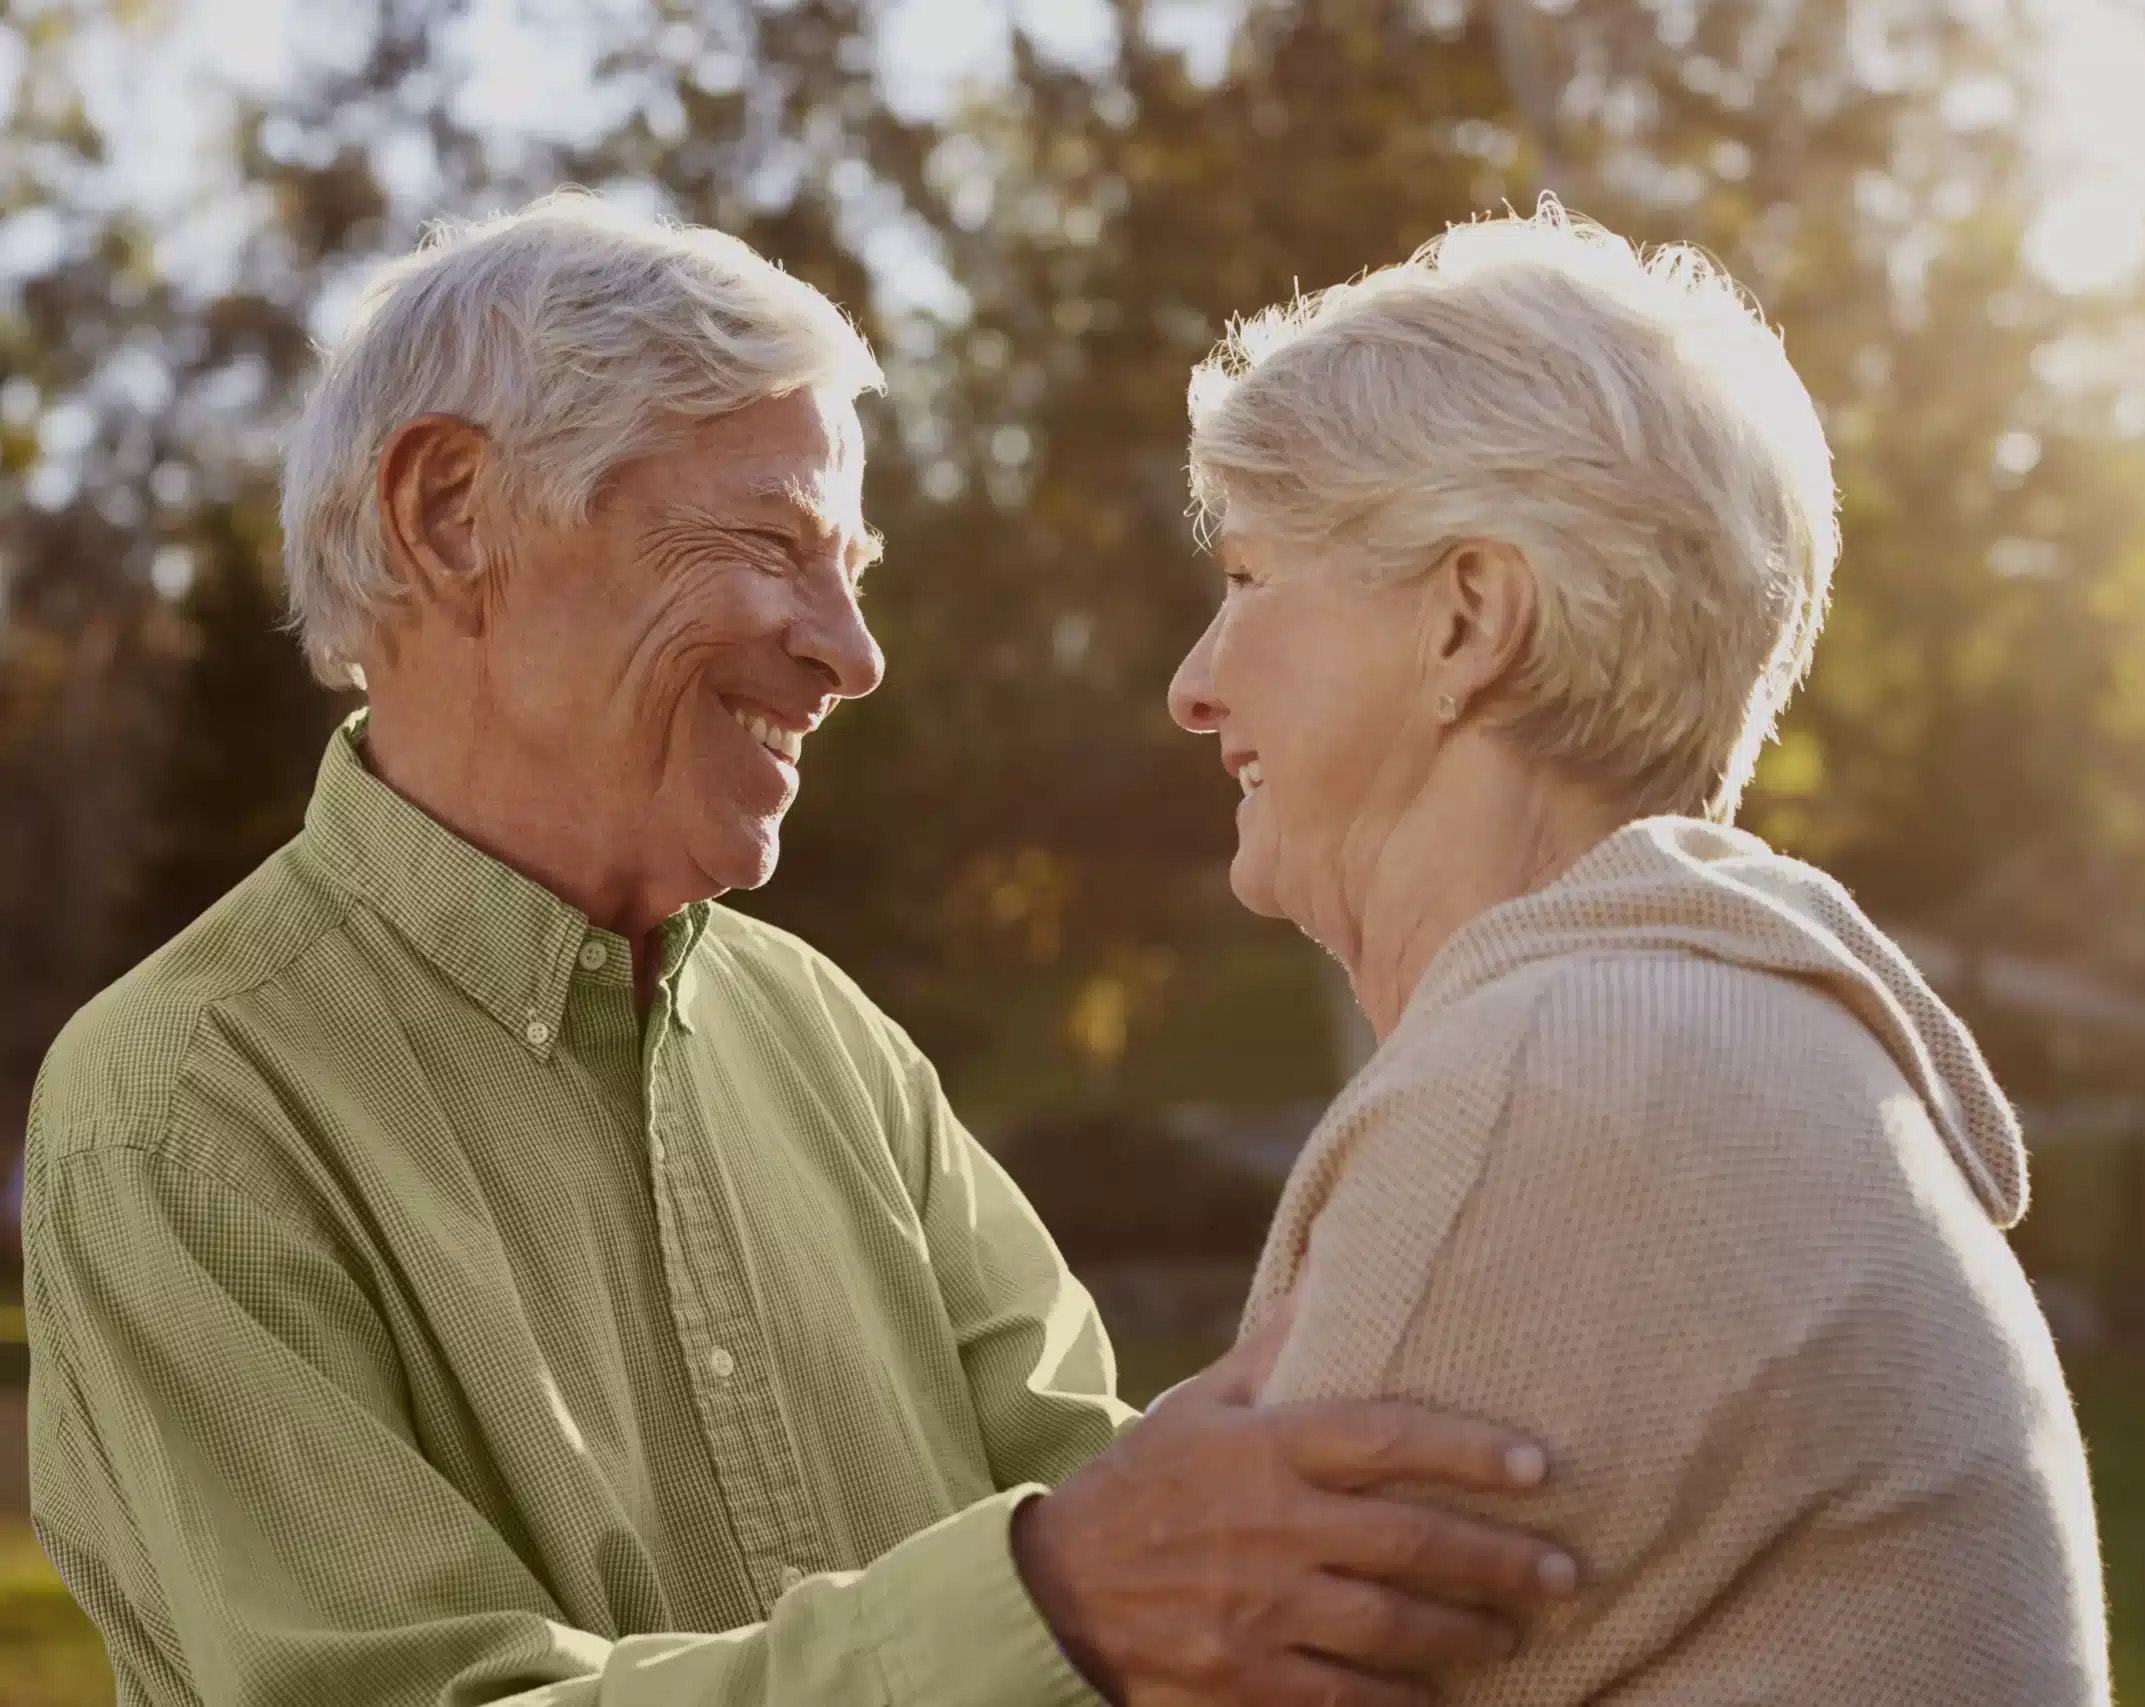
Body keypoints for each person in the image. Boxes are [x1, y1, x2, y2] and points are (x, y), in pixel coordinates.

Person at [22, 192, 1579, 1707]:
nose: (852, 651)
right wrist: (1059, 1608)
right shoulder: (184, 1110)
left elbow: (1133, 1533)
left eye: (855, 571)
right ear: (451, 515)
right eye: (774, 544)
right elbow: (1093, 1582)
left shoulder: (830, 1043)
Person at [1160, 202, 2109, 1704]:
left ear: (1468, 619)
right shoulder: (1715, 1032)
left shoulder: (1566, 1081)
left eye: (1254, 580)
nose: (1194, 687)